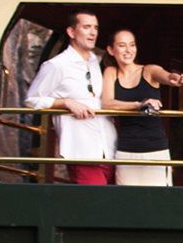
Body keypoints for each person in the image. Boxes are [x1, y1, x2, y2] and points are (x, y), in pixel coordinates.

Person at [25, 10, 116, 184]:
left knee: (110, 206)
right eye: (86, 27)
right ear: (71, 32)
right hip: (81, 150)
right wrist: (66, 102)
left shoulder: (95, 63)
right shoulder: (56, 65)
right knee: (96, 205)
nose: (93, 32)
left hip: (108, 147)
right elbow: (32, 100)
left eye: (95, 28)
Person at [101, 29, 183, 186]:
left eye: (132, 45)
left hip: (155, 148)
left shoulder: (149, 70)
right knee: (128, 202)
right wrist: (139, 105)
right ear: (111, 50)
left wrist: (177, 79)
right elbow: (107, 103)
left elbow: (166, 76)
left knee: (158, 203)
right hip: (127, 149)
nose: (128, 50)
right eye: (122, 45)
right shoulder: (111, 72)